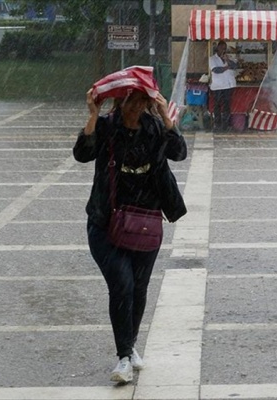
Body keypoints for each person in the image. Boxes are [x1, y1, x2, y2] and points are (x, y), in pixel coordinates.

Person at [73, 88, 187, 383]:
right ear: (120, 102)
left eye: (141, 101)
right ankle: (124, 357)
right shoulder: (107, 127)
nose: (135, 106)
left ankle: (130, 344)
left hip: (145, 223)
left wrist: (165, 114)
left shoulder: (154, 129)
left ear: (149, 102)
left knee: (138, 288)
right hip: (105, 224)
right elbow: (82, 154)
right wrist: (93, 114)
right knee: (122, 283)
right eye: (130, 100)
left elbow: (179, 152)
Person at [209, 41, 238, 132]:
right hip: (218, 86)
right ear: (217, 48)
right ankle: (217, 123)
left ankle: (225, 124)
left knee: (227, 105)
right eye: (221, 48)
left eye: (225, 48)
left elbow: (235, 66)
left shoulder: (228, 58)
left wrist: (227, 60)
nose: (223, 50)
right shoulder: (212, 59)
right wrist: (227, 67)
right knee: (217, 105)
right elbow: (216, 70)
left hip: (228, 85)